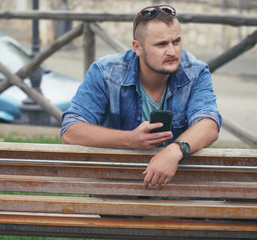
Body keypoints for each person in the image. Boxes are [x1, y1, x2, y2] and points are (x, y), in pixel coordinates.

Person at [61, 5, 222, 188]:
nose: (172, 51)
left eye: (176, 42)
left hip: (173, 193)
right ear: (137, 47)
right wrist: (130, 139)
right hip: (117, 192)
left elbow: (209, 124)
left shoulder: (195, 71)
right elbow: (70, 131)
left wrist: (174, 150)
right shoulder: (106, 72)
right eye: (161, 44)